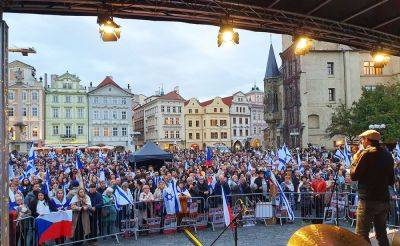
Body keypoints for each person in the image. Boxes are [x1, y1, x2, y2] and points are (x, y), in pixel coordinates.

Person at [351, 130, 395, 245]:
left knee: (361, 235)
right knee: (381, 234)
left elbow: (354, 176)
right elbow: (391, 180)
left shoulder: (366, 154)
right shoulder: (388, 155)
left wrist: (355, 160)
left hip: (368, 201)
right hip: (384, 200)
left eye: (362, 139)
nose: (361, 142)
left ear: (367, 140)